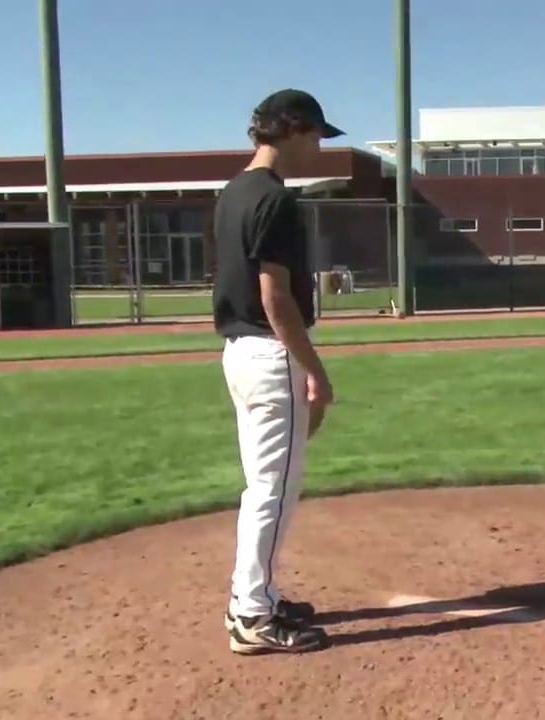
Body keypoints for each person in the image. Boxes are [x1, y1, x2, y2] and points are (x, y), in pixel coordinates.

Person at [211, 88, 344, 655]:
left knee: (263, 487)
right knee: (273, 491)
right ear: (289, 129)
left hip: (240, 354)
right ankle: (252, 615)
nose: (318, 146)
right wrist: (315, 370)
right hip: (271, 353)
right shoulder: (275, 200)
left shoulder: (234, 192)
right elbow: (276, 298)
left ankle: (254, 594)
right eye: (315, 134)